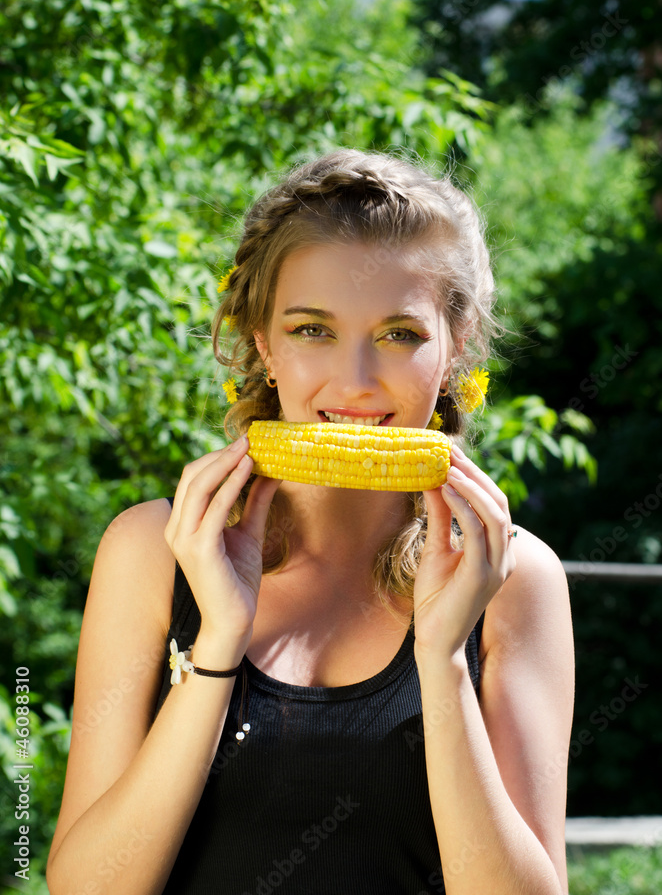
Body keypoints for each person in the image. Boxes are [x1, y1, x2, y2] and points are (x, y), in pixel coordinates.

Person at [46, 148, 574, 895]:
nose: (356, 383)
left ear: (455, 349)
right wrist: (217, 646)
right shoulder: (151, 552)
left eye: (399, 334)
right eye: (311, 330)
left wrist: (443, 660)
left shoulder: (515, 580)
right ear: (262, 343)